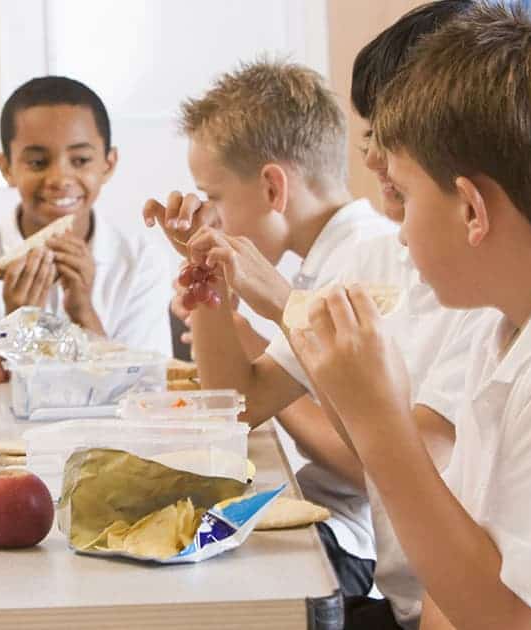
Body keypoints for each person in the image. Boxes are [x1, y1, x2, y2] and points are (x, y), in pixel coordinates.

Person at [291, 5, 531, 628]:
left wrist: (378, 420)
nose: (399, 234)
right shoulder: (506, 328)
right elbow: (450, 580)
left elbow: (510, 620)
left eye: (408, 194)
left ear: (472, 210)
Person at [144, 58, 396, 601]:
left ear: (272, 187)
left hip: (355, 546)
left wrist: (285, 319)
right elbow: (239, 401)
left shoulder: (365, 259)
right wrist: (206, 277)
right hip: (326, 519)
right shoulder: (325, 259)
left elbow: (364, 466)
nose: (209, 214)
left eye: (213, 196)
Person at [0, 76, 171, 382]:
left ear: (108, 163)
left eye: (80, 160)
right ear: (6, 168)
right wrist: (19, 328)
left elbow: (148, 392)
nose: (60, 178)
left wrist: (84, 313)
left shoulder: (142, 261)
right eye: (38, 163)